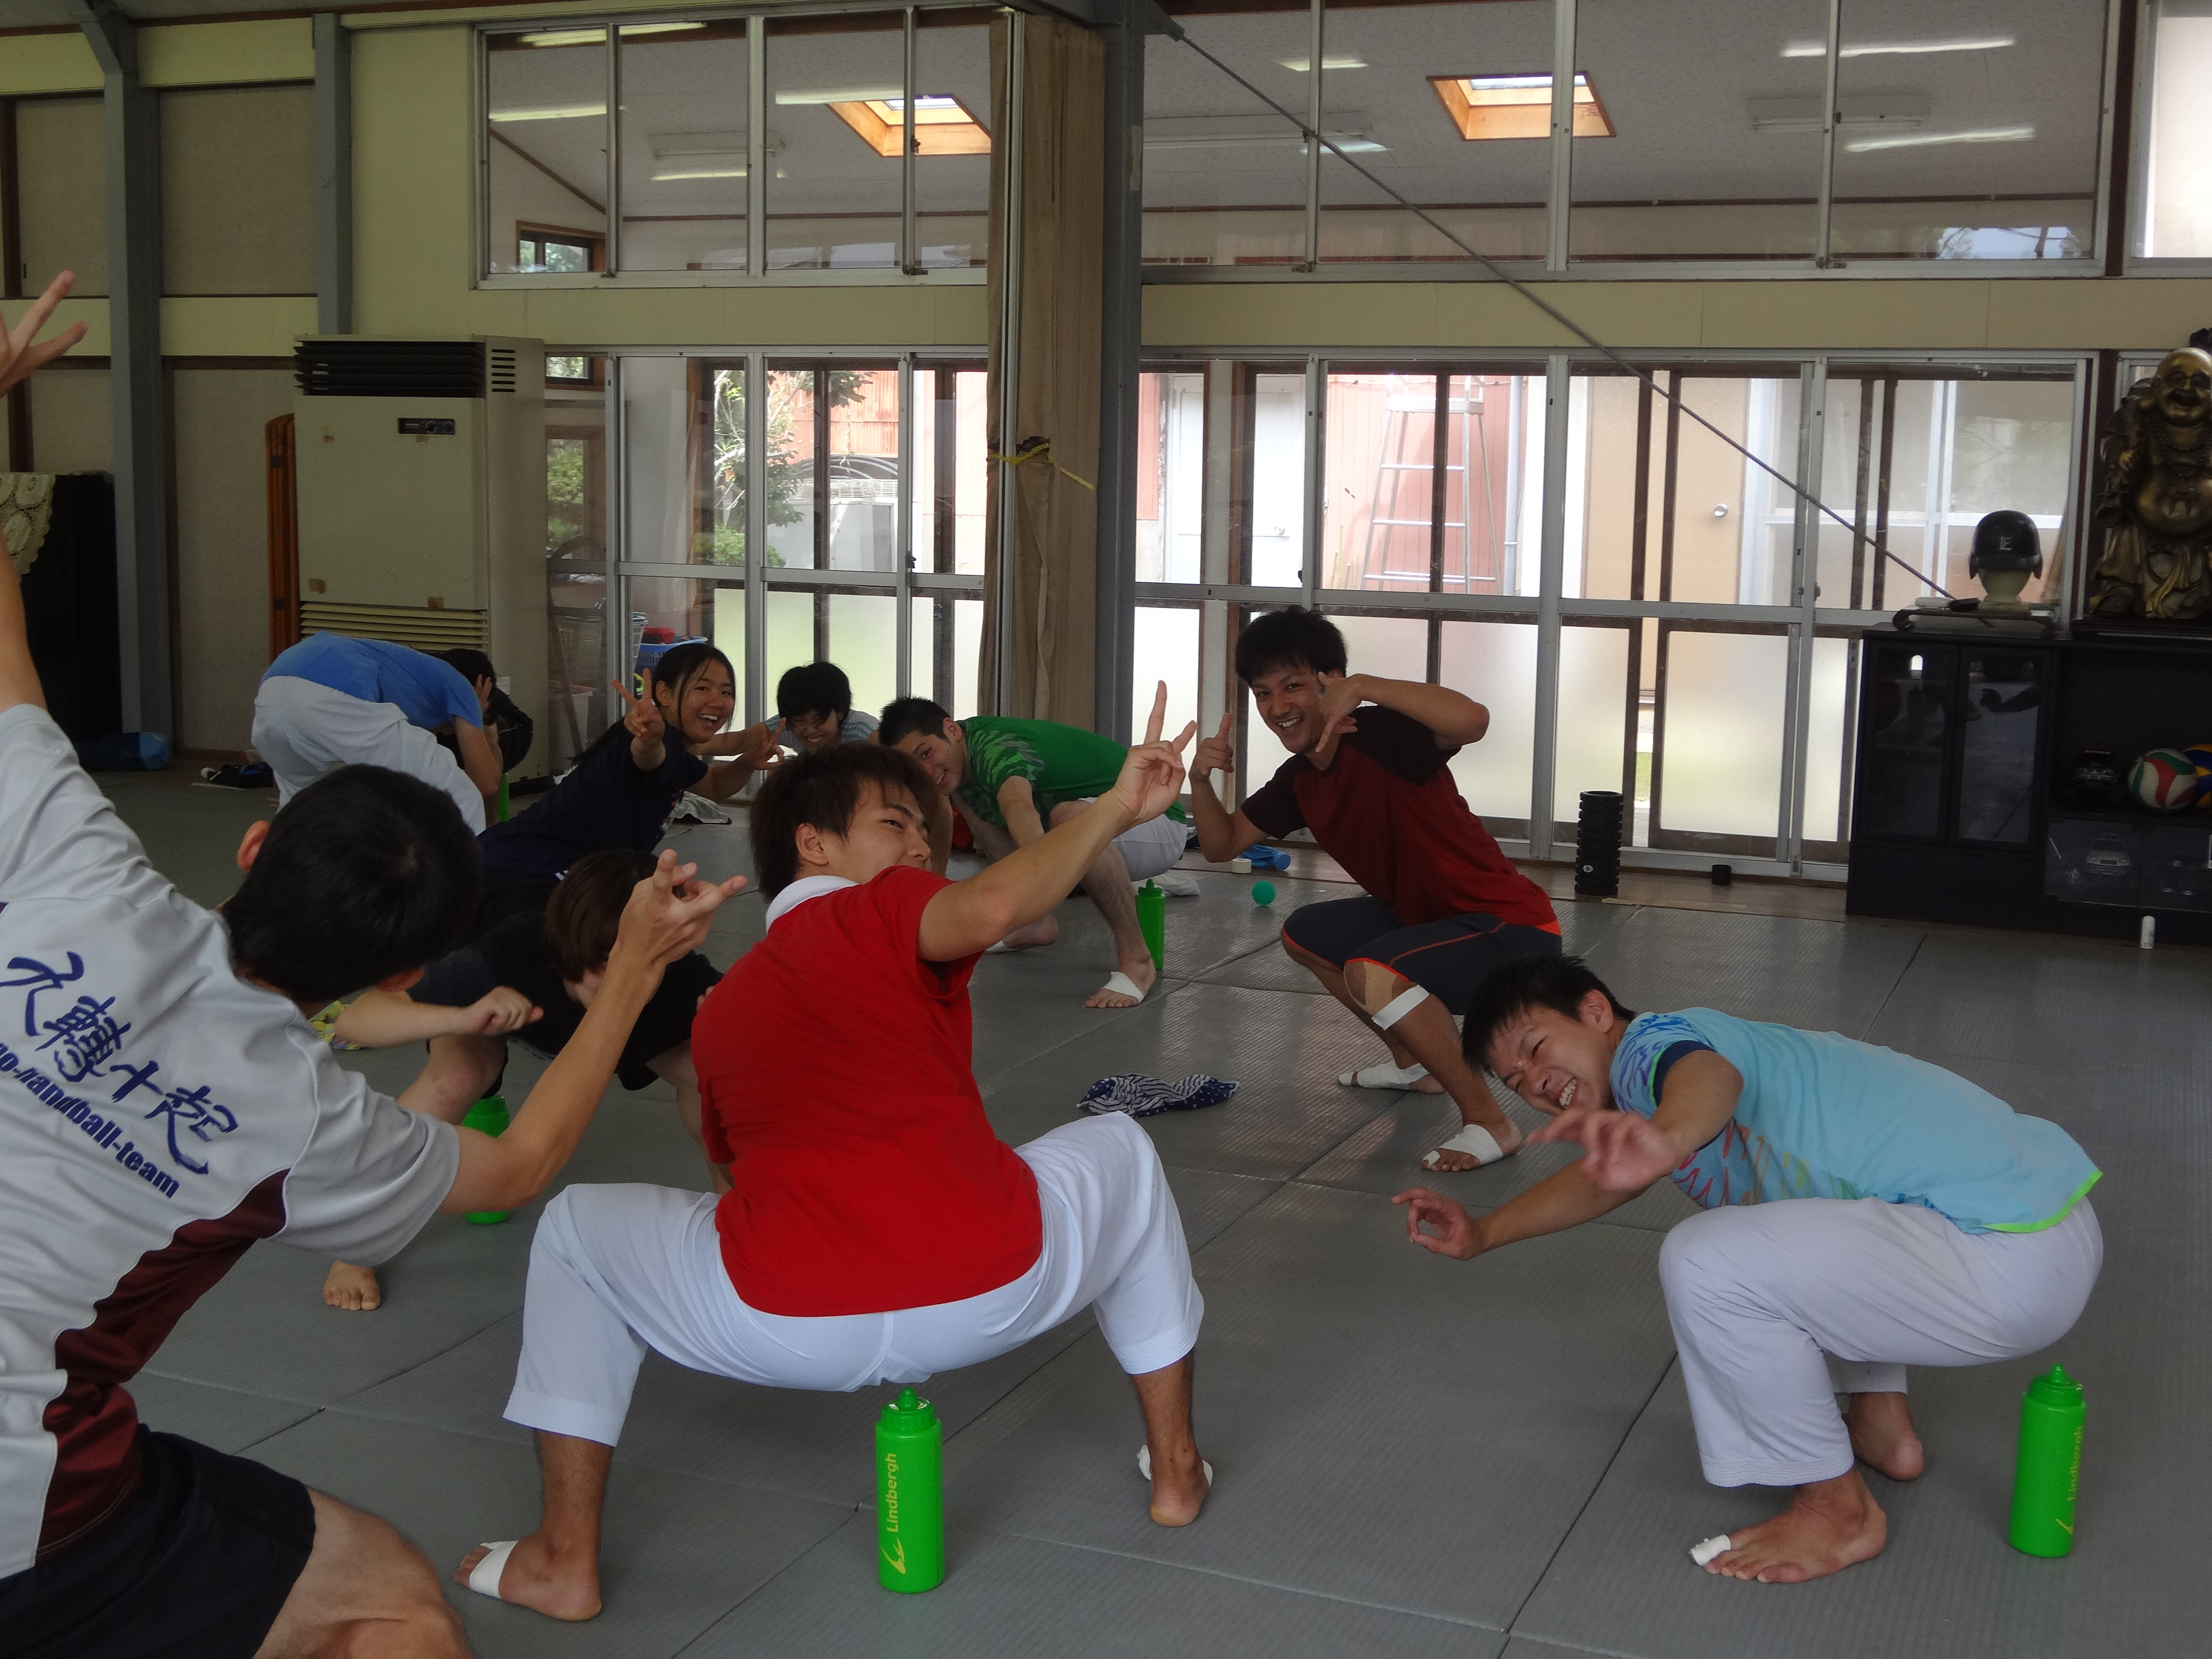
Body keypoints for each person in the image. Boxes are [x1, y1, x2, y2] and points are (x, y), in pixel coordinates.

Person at [0, 275, 744, 1659]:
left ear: (256, 840)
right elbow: (517, 1169)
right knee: (391, 1608)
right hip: (22, 1503)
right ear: (409, 961)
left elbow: (12, 673)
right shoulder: (300, 1118)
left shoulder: (78, 874)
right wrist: (632, 971)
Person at [458, 704, 1211, 1623]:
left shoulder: (720, 1011)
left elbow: (731, 1182)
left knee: (576, 1230)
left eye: (925, 831)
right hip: (992, 1285)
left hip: (782, 1325)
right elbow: (994, 905)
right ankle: (1175, 1470)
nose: (920, 848)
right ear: (812, 846)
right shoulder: (877, 905)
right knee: (1121, 1146)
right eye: (894, 823)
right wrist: (1115, 809)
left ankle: (561, 1558)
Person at [1399, 954, 2103, 1585]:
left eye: (1537, 1048)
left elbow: (1711, 1080)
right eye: (1517, 1082)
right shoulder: (1670, 1072)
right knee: (1796, 1228)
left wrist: (1667, 1138)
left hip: (2001, 1251)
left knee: (1708, 1259)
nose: (1537, 1081)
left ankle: (1837, 1512)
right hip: (2039, 1225)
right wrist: (1485, 1231)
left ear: (1595, 1011)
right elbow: (1602, 1182)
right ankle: (1881, 1425)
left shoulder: (1651, 1050)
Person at [1187, 607, 1561, 1172]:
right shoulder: (1300, 780)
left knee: (1374, 971)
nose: (1277, 707)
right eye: (1263, 694)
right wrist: (1199, 780)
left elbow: (1473, 720)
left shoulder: (1383, 734)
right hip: (1429, 924)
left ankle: (1491, 1121)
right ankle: (1416, 1064)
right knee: (1306, 934)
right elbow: (1222, 845)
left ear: (1330, 682)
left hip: (1512, 930)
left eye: (1292, 686)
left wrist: (1364, 687)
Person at [319, 849, 729, 1311]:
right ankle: (357, 1240)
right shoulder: (511, 950)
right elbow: (356, 1021)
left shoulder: (675, 974)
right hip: (495, 1003)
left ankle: (730, 1212)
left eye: (644, 961)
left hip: (623, 1012)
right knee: (458, 1075)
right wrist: (459, 1016)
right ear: (574, 945)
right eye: (604, 963)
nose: (622, 976)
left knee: (710, 1070)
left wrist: (738, 1013)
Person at [880, 696, 1191, 1009]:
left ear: (952, 729)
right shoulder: (958, 760)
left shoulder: (995, 749)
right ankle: (1032, 921)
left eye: (926, 753)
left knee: (1070, 820)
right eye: (914, 765)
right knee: (968, 798)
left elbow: (1019, 806)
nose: (926, 771)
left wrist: (1042, 880)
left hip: (1157, 818)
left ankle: (1138, 960)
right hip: (1114, 819)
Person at [474, 643, 778, 924]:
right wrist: (650, 739)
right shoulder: (657, 743)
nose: (718, 701)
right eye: (702, 688)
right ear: (664, 693)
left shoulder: (676, 750)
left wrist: (747, 763)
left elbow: (714, 785)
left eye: (726, 692)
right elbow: (648, 756)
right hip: (519, 870)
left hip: (519, 865)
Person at [253, 631, 504, 832]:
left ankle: (280, 873)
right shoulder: (461, 685)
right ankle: (475, 879)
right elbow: (487, 784)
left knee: (298, 806)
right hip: (329, 686)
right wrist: (478, 718)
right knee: (462, 795)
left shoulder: (410, 673)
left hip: (273, 686)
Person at [772, 660, 880, 753]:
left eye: (819, 720)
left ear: (841, 712)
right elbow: (762, 734)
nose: (810, 731)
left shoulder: (864, 732)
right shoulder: (785, 725)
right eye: (800, 721)